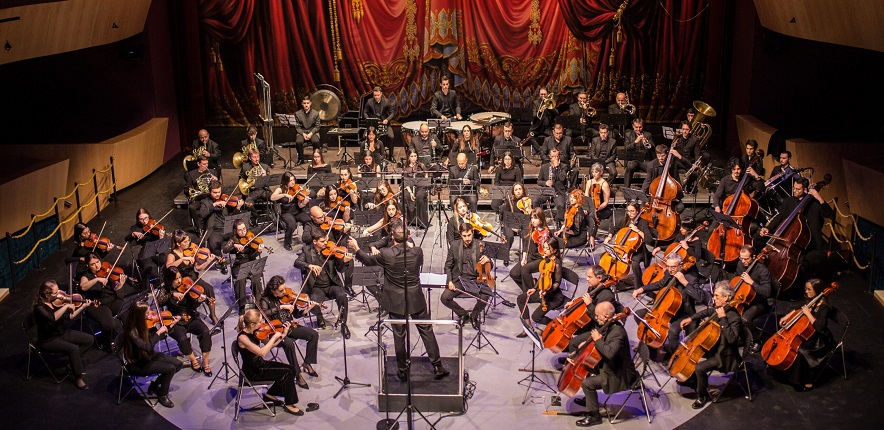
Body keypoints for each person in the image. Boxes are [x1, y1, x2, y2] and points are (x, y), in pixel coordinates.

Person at [348, 221, 450, 381]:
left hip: (395, 300)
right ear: (408, 237)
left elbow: (368, 261)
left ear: (392, 237)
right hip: (415, 298)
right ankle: (437, 365)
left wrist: (356, 248)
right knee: (426, 330)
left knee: (399, 334)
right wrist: (408, 245)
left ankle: (403, 370)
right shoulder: (418, 252)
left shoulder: (386, 254)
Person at [677, 281, 742, 409]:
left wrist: (723, 319)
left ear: (726, 298)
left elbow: (732, 339)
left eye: (717, 296)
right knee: (692, 356)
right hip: (714, 348)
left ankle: (702, 396)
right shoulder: (719, 308)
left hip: (724, 355)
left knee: (699, 368)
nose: (714, 298)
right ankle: (693, 381)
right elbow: (707, 312)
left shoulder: (734, 317)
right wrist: (691, 318)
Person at [574, 301, 638, 427]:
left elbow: (609, 353)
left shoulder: (618, 332)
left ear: (606, 316)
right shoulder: (609, 325)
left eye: (597, 315)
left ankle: (594, 415)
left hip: (619, 375)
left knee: (587, 384)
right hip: (611, 366)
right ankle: (589, 401)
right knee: (585, 367)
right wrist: (586, 346)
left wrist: (597, 340)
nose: (596, 317)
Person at [632, 254, 708, 359]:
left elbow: (700, 298)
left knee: (673, 330)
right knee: (639, 314)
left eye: (673, 267)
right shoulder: (668, 272)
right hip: (666, 309)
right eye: (668, 266)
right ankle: (652, 345)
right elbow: (660, 284)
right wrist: (641, 289)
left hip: (683, 313)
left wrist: (685, 283)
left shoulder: (690, 278)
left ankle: (671, 354)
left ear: (681, 265)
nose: (670, 270)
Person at [236, 309, 306, 416]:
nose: (262, 324)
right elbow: (262, 352)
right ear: (252, 324)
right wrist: (274, 337)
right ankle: (289, 404)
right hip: (253, 371)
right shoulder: (243, 338)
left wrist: (284, 333)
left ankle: (270, 394)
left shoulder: (255, 331)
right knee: (286, 373)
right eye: (260, 322)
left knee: (291, 369)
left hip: (260, 365)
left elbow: (270, 345)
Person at [771, 278, 834, 391]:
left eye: (809, 289)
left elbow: (820, 327)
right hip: (808, 333)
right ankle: (785, 370)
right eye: (806, 289)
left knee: (801, 350)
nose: (806, 291)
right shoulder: (811, 300)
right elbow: (799, 308)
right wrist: (788, 316)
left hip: (820, 339)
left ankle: (807, 380)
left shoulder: (824, 307)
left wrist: (808, 314)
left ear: (818, 290)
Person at [759, 177, 829, 277]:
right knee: (760, 242)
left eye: (798, 189)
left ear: (805, 190)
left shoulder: (814, 205)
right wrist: (768, 228)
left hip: (806, 242)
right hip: (787, 237)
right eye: (794, 188)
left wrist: (819, 197)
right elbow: (780, 216)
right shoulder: (789, 201)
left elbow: (829, 214)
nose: (794, 191)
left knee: (803, 265)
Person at [259, 275, 319, 389]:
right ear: (273, 291)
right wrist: (281, 307)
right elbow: (264, 313)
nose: (284, 292)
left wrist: (306, 310)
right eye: (281, 291)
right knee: (289, 344)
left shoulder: (287, 296)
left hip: (290, 326)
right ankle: (297, 374)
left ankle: (307, 362)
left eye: (284, 289)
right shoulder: (265, 299)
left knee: (313, 334)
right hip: (276, 331)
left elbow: (295, 314)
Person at [118, 301, 182, 408]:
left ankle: (155, 385)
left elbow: (159, 337)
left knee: (178, 364)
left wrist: (171, 325)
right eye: (147, 313)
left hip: (148, 356)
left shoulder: (144, 323)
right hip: (138, 363)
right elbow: (147, 346)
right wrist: (157, 333)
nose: (150, 315)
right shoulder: (131, 330)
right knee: (170, 369)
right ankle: (162, 394)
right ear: (139, 315)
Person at [32, 280, 93, 390]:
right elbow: (53, 317)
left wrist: (82, 307)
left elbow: (69, 317)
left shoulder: (55, 302)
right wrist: (65, 306)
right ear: (47, 294)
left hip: (61, 333)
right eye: (55, 292)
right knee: (73, 349)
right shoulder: (39, 308)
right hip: (48, 340)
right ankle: (77, 377)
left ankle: (72, 364)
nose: (59, 294)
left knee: (89, 339)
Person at [294, 229, 353, 338]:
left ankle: (343, 323)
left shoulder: (331, 251)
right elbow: (297, 263)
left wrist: (345, 262)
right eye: (322, 241)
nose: (326, 243)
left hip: (332, 284)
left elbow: (340, 270)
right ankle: (319, 317)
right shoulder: (307, 251)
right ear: (315, 242)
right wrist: (309, 266)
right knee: (314, 303)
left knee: (342, 296)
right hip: (316, 287)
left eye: (326, 241)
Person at [161, 267, 213, 376]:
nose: (180, 281)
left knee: (205, 331)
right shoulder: (165, 290)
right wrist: (172, 294)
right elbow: (158, 301)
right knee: (182, 339)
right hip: (175, 321)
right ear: (170, 280)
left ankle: (205, 362)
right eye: (176, 279)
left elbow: (192, 306)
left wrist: (199, 301)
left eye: (180, 277)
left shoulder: (187, 286)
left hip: (190, 317)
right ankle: (193, 360)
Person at [441, 223, 491, 330]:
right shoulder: (454, 245)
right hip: (460, 280)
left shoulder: (480, 245)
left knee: (485, 297)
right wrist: (449, 281)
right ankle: (463, 314)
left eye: (469, 235)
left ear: (472, 233)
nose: (467, 238)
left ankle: (474, 316)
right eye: (464, 236)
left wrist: (488, 260)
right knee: (445, 298)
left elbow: (489, 266)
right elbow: (447, 266)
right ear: (460, 234)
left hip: (475, 280)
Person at [165, 229, 219, 324]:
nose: (188, 243)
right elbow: (169, 267)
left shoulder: (190, 251)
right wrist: (182, 259)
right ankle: (191, 313)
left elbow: (198, 268)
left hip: (193, 278)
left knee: (209, 289)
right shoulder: (172, 255)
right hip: (182, 282)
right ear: (178, 243)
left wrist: (208, 261)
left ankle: (213, 315)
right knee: (194, 296)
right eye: (185, 242)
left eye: (188, 240)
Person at [566, 266, 621, 354]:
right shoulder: (592, 287)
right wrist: (573, 304)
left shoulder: (607, 296)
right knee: (569, 332)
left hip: (599, 328)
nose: (587, 279)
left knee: (573, 343)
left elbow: (600, 320)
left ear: (599, 278)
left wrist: (590, 305)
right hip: (588, 321)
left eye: (590, 277)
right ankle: (572, 355)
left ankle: (574, 362)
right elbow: (584, 301)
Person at [79, 253, 129, 348]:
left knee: (127, 312)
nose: (97, 266)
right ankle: (107, 344)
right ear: (88, 266)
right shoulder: (86, 276)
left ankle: (129, 338)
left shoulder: (106, 270)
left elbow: (115, 288)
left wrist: (120, 284)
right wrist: (96, 279)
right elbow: (83, 286)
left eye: (97, 262)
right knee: (109, 324)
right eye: (92, 264)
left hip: (112, 299)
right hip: (98, 304)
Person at [515, 237, 564, 333]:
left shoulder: (557, 263)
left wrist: (547, 291)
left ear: (554, 250)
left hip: (553, 296)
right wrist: (534, 288)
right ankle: (528, 326)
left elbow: (557, 283)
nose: (544, 250)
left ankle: (556, 325)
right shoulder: (546, 260)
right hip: (542, 291)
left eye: (547, 248)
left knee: (536, 317)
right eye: (544, 247)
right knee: (521, 299)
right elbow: (542, 276)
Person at [607, 202, 656, 290]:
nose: (630, 213)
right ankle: (611, 281)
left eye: (632, 211)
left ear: (637, 211)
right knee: (609, 257)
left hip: (639, 251)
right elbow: (613, 227)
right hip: (624, 249)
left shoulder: (643, 222)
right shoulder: (625, 219)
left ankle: (639, 287)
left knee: (635, 263)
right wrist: (609, 236)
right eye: (628, 211)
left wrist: (637, 231)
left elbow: (649, 239)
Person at [223, 219, 270, 309]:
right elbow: (225, 250)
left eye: (244, 229)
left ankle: (259, 305)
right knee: (240, 280)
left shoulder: (251, 236)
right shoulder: (233, 239)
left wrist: (258, 251)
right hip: (239, 264)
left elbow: (253, 256)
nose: (243, 232)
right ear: (235, 231)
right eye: (240, 230)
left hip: (253, 263)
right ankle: (241, 307)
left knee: (256, 281)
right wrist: (234, 245)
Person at [200, 180, 246, 258]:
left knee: (242, 237)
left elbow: (234, 217)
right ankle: (221, 261)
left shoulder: (226, 199)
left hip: (228, 228)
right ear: (210, 191)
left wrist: (238, 207)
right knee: (214, 246)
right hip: (215, 231)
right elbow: (202, 214)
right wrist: (214, 204)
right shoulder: (205, 202)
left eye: (219, 192)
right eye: (215, 192)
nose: (217, 194)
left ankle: (240, 257)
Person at [510, 208, 551, 296]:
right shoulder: (530, 229)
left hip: (541, 258)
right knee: (514, 273)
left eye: (535, 218)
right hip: (530, 256)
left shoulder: (546, 232)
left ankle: (528, 294)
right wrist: (524, 258)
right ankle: (530, 287)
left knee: (525, 270)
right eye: (532, 218)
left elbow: (550, 249)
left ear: (541, 219)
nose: (533, 220)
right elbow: (526, 245)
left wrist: (546, 252)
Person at [733, 245, 773, 330]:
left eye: (746, 259)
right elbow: (735, 277)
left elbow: (767, 292)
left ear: (754, 257)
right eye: (741, 258)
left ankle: (753, 339)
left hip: (759, 302)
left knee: (744, 320)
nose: (743, 261)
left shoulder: (763, 271)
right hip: (743, 298)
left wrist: (751, 282)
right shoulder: (740, 264)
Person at [126, 209, 170, 282]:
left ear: (149, 216)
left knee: (167, 262)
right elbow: (126, 238)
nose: (144, 221)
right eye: (141, 219)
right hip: (145, 252)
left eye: (146, 218)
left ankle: (167, 281)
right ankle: (142, 281)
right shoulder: (135, 227)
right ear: (138, 219)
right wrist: (133, 234)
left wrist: (161, 238)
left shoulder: (155, 223)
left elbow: (160, 244)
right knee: (148, 267)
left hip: (156, 250)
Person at [271, 172, 312, 251]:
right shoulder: (280, 189)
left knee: (308, 220)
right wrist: (285, 195)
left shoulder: (297, 188)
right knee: (292, 224)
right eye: (290, 181)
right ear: (285, 181)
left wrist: (304, 202)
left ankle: (307, 239)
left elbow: (300, 205)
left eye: (293, 180)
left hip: (297, 211)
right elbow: (272, 197)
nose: (293, 182)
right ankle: (287, 242)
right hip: (286, 212)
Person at [641, 144, 685, 214]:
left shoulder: (673, 163)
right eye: (658, 156)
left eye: (663, 156)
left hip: (670, 194)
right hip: (656, 194)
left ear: (667, 154)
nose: (660, 158)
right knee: (643, 206)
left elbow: (689, 166)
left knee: (680, 207)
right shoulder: (651, 165)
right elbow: (648, 180)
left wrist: (679, 156)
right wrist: (642, 193)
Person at [536, 148, 569, 227]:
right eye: (553, 156)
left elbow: (562, 179)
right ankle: (537, 220)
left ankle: (558, 222)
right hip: (547, 191)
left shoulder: (564, 166)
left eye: (557, 156)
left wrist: (556, 168)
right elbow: (539, 181)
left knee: (561, 205)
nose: (555, 158)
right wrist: (545, 183)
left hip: (558, 192)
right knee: (536, 201)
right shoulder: (544, 166)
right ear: (549, 157)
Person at [184, 155, 219, 232]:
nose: (206, 166)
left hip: (210, 197)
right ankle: (199, 227)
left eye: (207, 164)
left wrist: (216, 181)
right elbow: (186, 190)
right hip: (199, 198)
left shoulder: (212, 172)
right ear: (198, 164)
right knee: (192, 207)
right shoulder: (191, 174)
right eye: (203, 164)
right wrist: (196, 190)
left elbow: (217, 187)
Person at [500, 183, 532, 262]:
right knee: (509, 235)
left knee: (526, 235)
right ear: (513, 192)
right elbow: (506, 217)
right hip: (510, 225)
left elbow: (531, 215)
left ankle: (525, 256)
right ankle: (505, 255)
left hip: (523, 225)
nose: (518, 191)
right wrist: (512, 226)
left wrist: (528, 208)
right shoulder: (510, 201)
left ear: (523, 190)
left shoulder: (527, 201)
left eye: (520, 189)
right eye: (516, 190)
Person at [363, 87, 396, 157]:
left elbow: (392, 113)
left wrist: (387, 119)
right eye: (375, 95)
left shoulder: (386, 101)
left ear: (381, 94)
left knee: (391, 137)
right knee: (364, 136)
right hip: (372, 124)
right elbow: (365, 112)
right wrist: (368, 119)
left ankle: (391, 155)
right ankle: (367, 155)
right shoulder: (369, 102)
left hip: (384, 123)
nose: (376, 97)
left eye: (378, 95)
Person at [623, 118, 654, 189]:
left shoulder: (648, 135)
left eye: (640, 127)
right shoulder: (628, 135)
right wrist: (635, 142)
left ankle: (650, 189)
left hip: (644, 160)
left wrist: (647, 143)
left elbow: (653, 147)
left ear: (643, 126)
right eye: (636, 127)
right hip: (633, 160)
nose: (638, 129)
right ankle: (626, 190)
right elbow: (626, 148)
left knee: (652, 169)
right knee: (629, 167)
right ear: (633, 126)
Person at [401, 150, 429, 229]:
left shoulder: (421, 165)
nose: (413, 158)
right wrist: (410, 192)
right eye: (412, 156)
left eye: (415, 156)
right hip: (409, 188)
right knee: (405, 196)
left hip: (420, 187)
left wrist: (424, 183)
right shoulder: (405, 167)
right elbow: (405, 181)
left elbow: (426, 175)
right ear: (408, 157)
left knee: (419, 197)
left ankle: (421, 221)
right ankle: (408, 220)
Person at [239, 147, 270, 217]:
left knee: (275, 198)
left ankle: (276, 218)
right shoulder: (245, 167)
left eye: (258, 156)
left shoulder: (265, 167)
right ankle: (257, 216)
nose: (257, 159)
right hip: (252, 191)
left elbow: (268, 183)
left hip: (263, 190)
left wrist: (265, 176)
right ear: (250, 158)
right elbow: (241, 180)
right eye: (254, 157)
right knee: (248, 204)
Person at [527, 87, 557, 157]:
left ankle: (552, 152)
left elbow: (556, 113)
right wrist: (540, 111)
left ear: (548, 94)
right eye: (541, 94)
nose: (543, 96)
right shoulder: (535, 103)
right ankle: (540, 152)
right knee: (529, 136)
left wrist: (550, 107)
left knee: (555, 136)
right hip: (537, 127)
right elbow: (534, 117)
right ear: (539, 94)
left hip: (547, 128)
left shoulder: (550, 101)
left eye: (545, 94)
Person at [584, 163, 612, 235]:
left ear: (601, 172)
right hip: (591, 206)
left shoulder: (604, 184)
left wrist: (597, 209)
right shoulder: (589, 182)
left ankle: (591, 236)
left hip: (602, 208)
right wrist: (586, 208)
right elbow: (586, 196)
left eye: (596, 172)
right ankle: (582, 235)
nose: (594, 174)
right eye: (592, 172)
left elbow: (606, 202)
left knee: (592, 215)